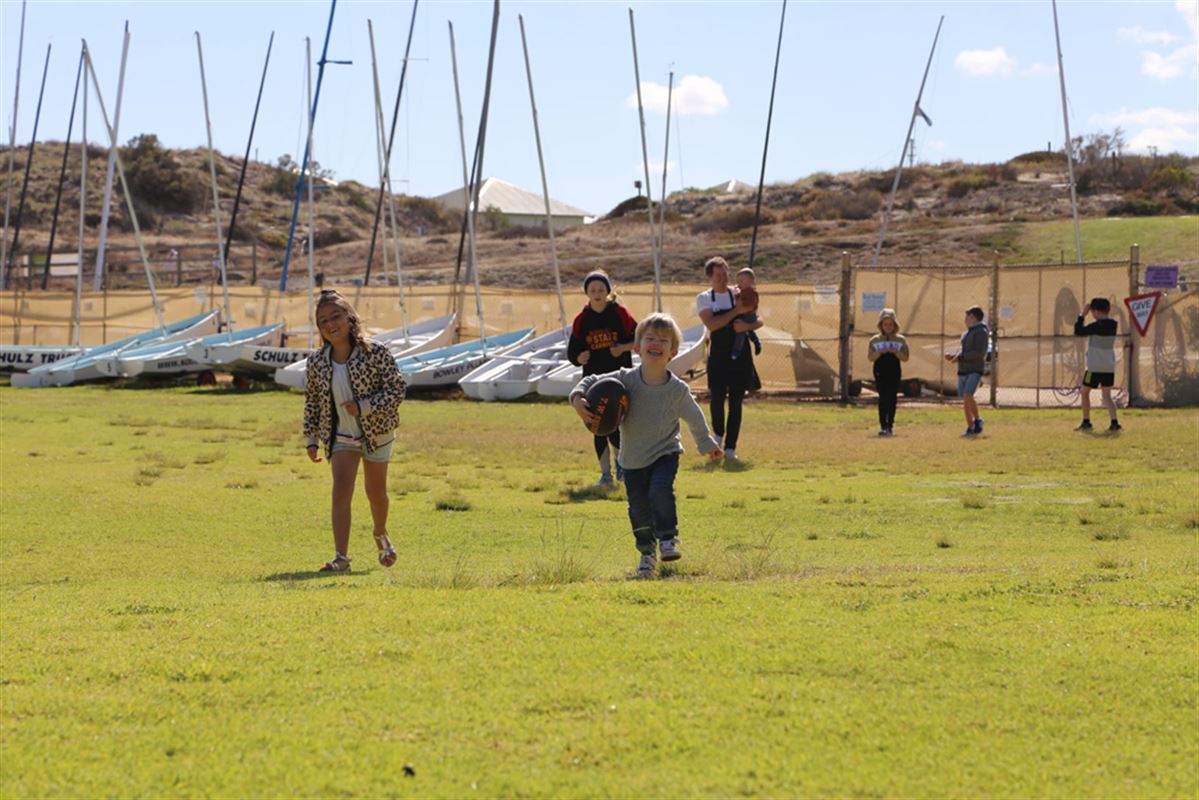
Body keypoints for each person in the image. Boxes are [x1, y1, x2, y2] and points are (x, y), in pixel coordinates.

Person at [571, 313, 722, 579]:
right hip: (631, 460)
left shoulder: (677, 389)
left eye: (663, 340)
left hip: (665, 452)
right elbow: (589, 380)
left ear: (672, 352)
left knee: (660, 490)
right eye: (650, 338)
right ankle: (646, 554)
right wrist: (577, 398)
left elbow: (694, 416)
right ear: (637, 347)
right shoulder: (624, 379)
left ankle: (667, 539)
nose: (656, 343)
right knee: (638, 510)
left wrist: (706, 444)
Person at [304, 290, 407, 572]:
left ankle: (380, 532)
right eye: (322, 320)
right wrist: (311, 438)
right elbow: (312, 400)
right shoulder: (316, 362)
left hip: (377, 433)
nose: (329, 324)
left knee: (376, 493)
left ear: (350, 319)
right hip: (340, 436)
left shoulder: (375, 353)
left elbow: (397, 389)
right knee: (341, 489)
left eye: (335, 316)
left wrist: (364, 407)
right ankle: (341, 557)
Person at [567, 270, 637, 486]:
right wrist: (580, 357)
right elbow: (572, 353)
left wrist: (623, 348)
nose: (597, 293)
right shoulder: (582, 320)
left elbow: (640, 337)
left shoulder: (620, 314)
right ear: (587, 293)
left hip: (619, 379)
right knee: (597, 427)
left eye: (601, 289)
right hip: (593, 382)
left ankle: (622, 469)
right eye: (592, 290)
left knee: (618, 426)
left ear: (608, 291)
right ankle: (606, 475)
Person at [696, 257, 762, 462]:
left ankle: (731, 447)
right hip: (718, 356)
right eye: (718, 275)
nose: (723, 278)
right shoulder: (705, 298)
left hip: (740, 356)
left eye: (725, 273)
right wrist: (736, 311)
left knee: (736, 402)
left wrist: (746, 326)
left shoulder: (740, 293)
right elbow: (712, 324)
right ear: (710, 277)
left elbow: (758, 320)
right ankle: (717, 434)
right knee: (716, 398)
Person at [1073, 297, 1121, 432]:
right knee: (1107, 396)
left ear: (1095, 311)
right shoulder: (1113, 325)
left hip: (1094, 367)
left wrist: (1082, 315)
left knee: (1084, 392)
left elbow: (1078, 331)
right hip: (1108, 366)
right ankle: (1114, 422)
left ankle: (1086, 422)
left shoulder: (1096, 326)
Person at [945, 306, 988, 437]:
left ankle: (978, 420)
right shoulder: (967, 333)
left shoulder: (981, 332)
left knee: (968, 394)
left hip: (974, 370)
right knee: (965, 398)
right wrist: (954, 356)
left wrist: (962, 357)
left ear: (973, 317)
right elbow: (963, 351)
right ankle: (970, 427)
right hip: (963, 370)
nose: (965, 319)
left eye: (967, 316)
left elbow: (979, 352)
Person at [867, 308, 909, 436]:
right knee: (883, 397)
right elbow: (870, 357)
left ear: (895, 325)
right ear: (881, 325)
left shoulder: (900, 340)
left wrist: (895, 352)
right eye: (885, 324)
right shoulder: (874, 340)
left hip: (894, 371)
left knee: (892, 398)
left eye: (891, 324)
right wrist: (880, 352)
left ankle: (890, 425)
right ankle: (883, 426)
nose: (888, 327)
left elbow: (906, 357)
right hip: (880, 371)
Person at [730, 267, 763, 361]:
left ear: (750, 281)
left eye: (741, 281)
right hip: (745, 314)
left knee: (740, 331)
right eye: (738, 281)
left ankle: (737, 350)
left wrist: (738, 301)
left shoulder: (752, 293)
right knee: (749, 330)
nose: (739, 284)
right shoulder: (743, 291)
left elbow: (750, 305)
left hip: (750, 315)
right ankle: (756, 342)